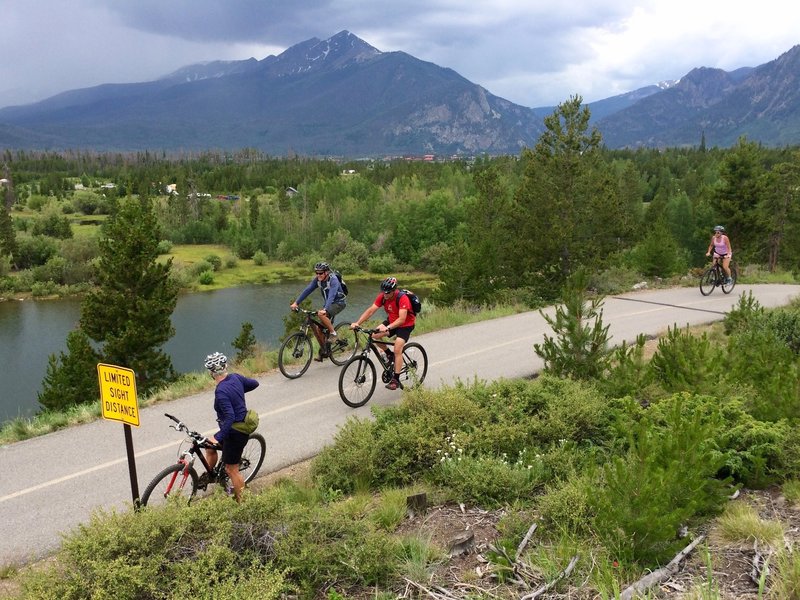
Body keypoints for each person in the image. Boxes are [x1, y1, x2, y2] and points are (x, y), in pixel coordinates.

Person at [201, 352, 259, 502]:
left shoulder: (221, 391)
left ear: (211, 373)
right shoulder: (235, 378)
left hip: (236, 432)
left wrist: (218, 437)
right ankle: (210, 475)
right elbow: (254, 383)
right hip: (234, 428)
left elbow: (230, 417)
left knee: (231, 469)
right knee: (210, 447)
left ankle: (244, 503)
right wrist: (237, 390)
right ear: (225, 366)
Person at [350, 276, 416, 391]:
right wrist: (357, 323)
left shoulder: (402, 298)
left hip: (405, 324)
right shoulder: (383, 297)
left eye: (388, 292)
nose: (385, 294)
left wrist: (388, 328)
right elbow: (371, 311)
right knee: (375, 335)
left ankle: (395, 379)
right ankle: (389, 355)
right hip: (391, 321)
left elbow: (401, 319)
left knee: (397, 348)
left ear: (394, 290)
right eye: (383, 292)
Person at [290, 261, 347, 361]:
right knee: (319, 329)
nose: (318, 275)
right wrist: (296, 303)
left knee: (321, 315)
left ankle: (333, 333)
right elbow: (308, 290)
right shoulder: (318, 280)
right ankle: (324, 351)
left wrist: (325, 309)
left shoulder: (333, 280)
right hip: (328, 305)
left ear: (326, 272)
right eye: (316, 273)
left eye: (320, 273)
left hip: (339, 303)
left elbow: (332, 295)